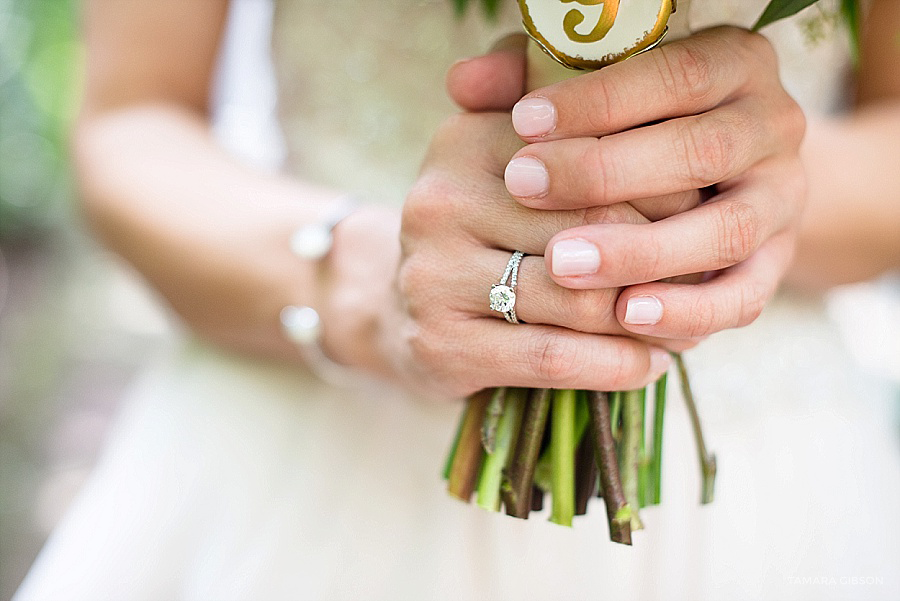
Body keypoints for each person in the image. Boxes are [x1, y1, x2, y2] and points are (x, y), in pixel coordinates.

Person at [14, 0, 900, 599]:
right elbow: (130, 119)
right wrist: (364, 281)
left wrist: (725, 174)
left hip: (758, 479)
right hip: (306, 445)